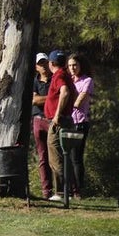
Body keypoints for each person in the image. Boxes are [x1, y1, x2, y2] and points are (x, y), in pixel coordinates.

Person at [44, 49, 75, 202]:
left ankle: (62, 192)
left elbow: (65, 92)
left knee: (55, 157)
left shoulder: (59, 75)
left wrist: (57, 115)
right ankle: (66, 191)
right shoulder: (66, 75)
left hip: (59, 121)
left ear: (51, 63)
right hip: (66, 119)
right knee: (64, 156)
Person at [66, 53, 94, 199]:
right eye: (70, 65)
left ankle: (78, 191)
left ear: (80, 65)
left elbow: (78, 102)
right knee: (66, 158)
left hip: (79, 123)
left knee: (76, 158)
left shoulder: (87, 81)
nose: (72, 68)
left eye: (75, 65)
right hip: (67, 123)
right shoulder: (67, 80)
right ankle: (68, 190)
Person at [30, 52, 53, 199]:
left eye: (45, 62)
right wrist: (51, 98)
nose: (43, 66)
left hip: (52, 120)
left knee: (56, 157)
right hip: (38, 120)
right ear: (36, 67)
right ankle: (47, 192)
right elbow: (34, 100)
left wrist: (43, 99)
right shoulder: (34, 82)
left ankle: (62, 191)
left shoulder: (55, 79)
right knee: (43, 157)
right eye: (40, 63)